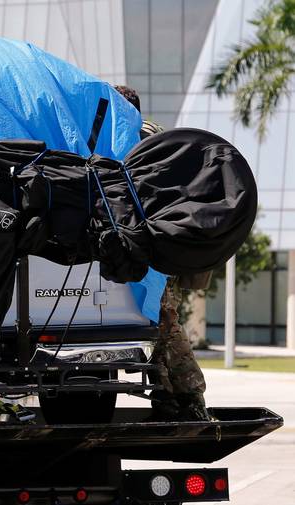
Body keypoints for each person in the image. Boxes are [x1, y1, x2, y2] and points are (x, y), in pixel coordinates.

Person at [114, 85, 212, 421]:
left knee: (163, 323)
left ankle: (189, 397)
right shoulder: (159, 138)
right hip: (153, 244)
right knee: (152, 325)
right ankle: (167, 399)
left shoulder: (140, 139)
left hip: (153, 246)